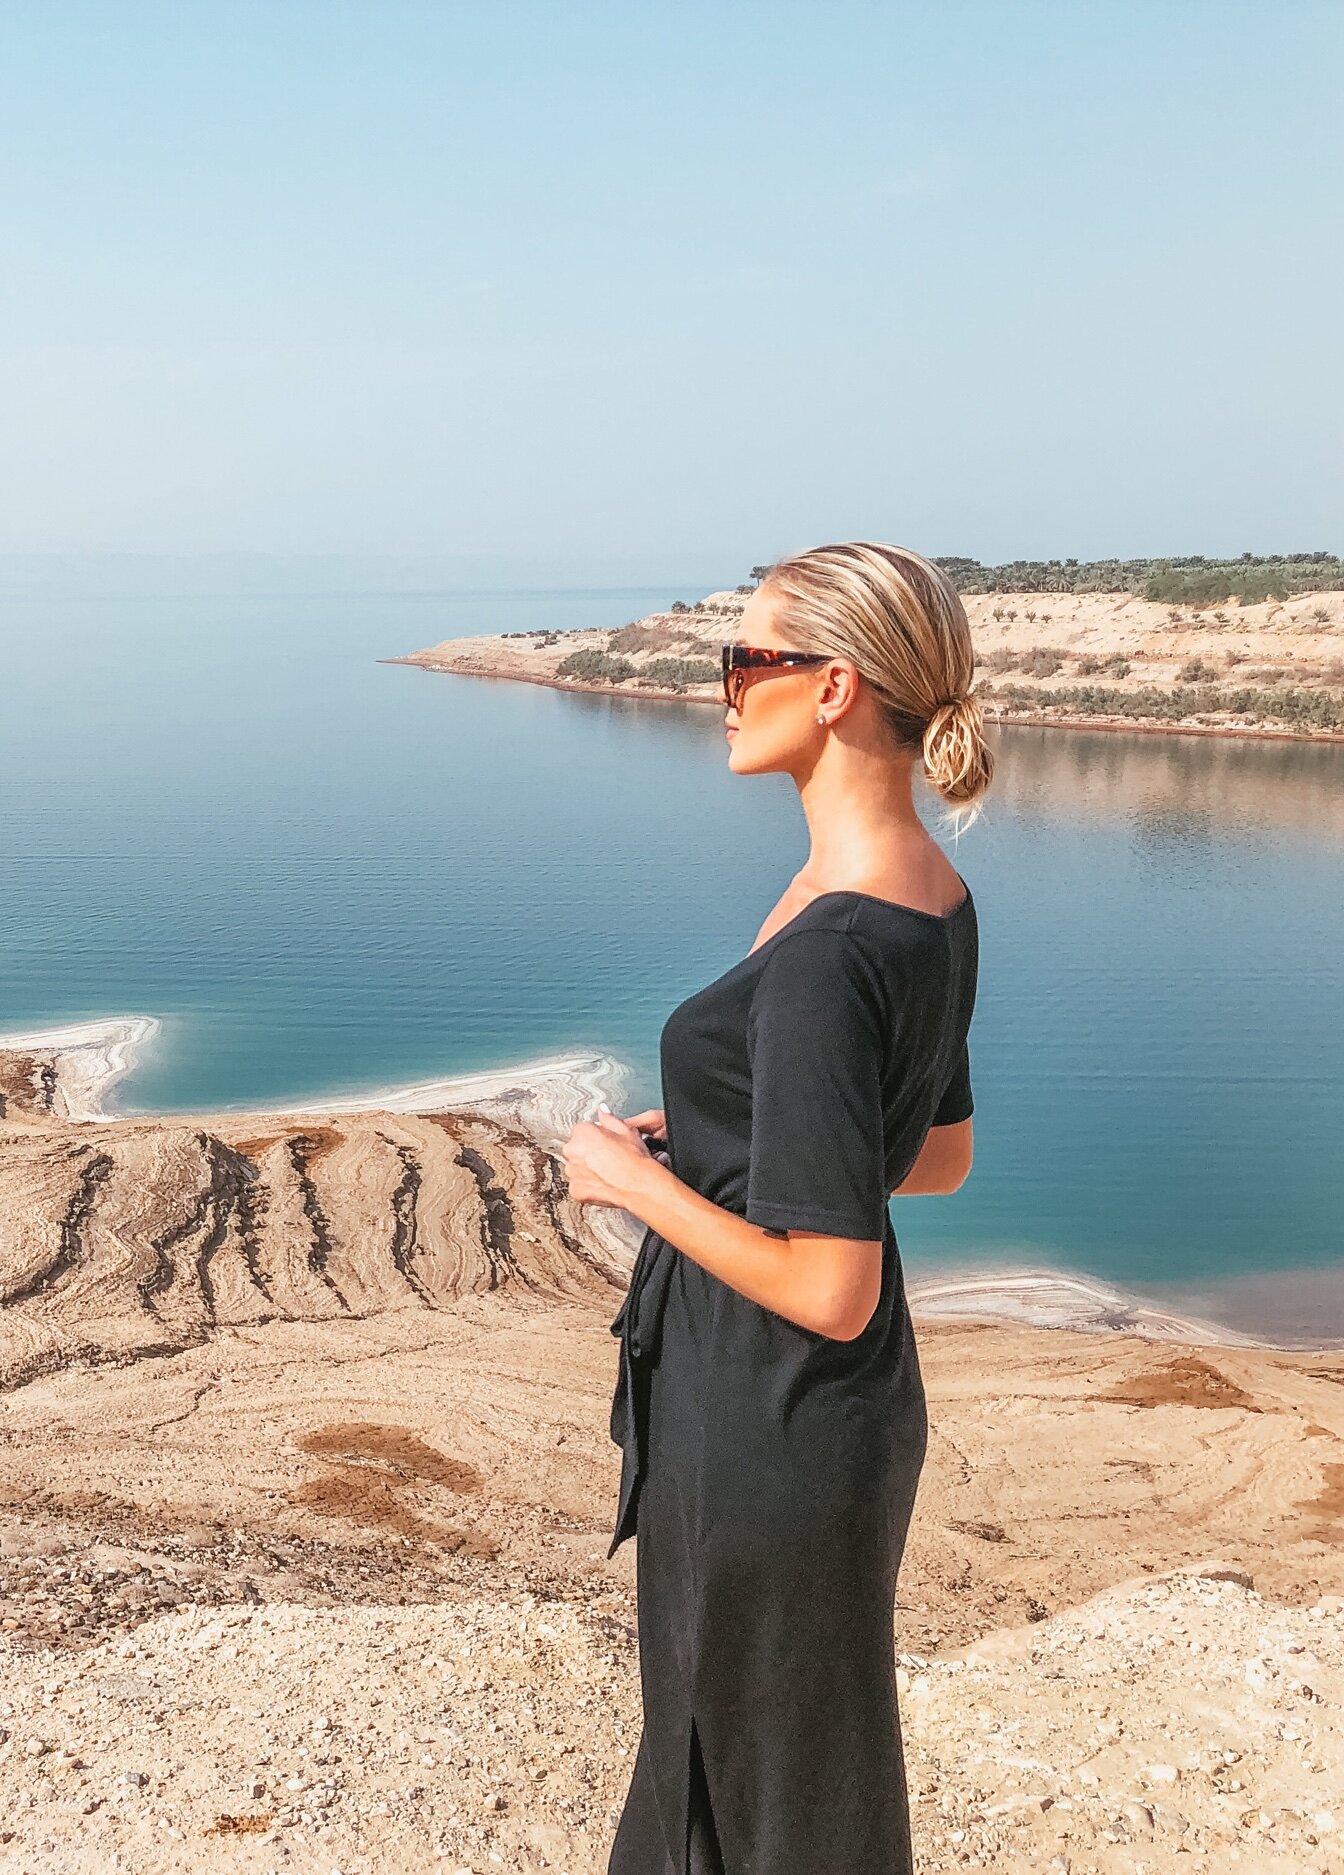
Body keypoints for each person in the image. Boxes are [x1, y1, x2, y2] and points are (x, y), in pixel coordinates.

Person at [557, 541, 990, 1874]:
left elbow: (830, 1282)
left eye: (745, 661)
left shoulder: (828, 947)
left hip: (766, 1410)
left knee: (744, 1780)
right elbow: (937, 1156)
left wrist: (633, 1181)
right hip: (829, 1421)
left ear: (838, 687)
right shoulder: (927, 897)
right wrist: (728, 1135)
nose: (723, 689)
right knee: (795, 1766)